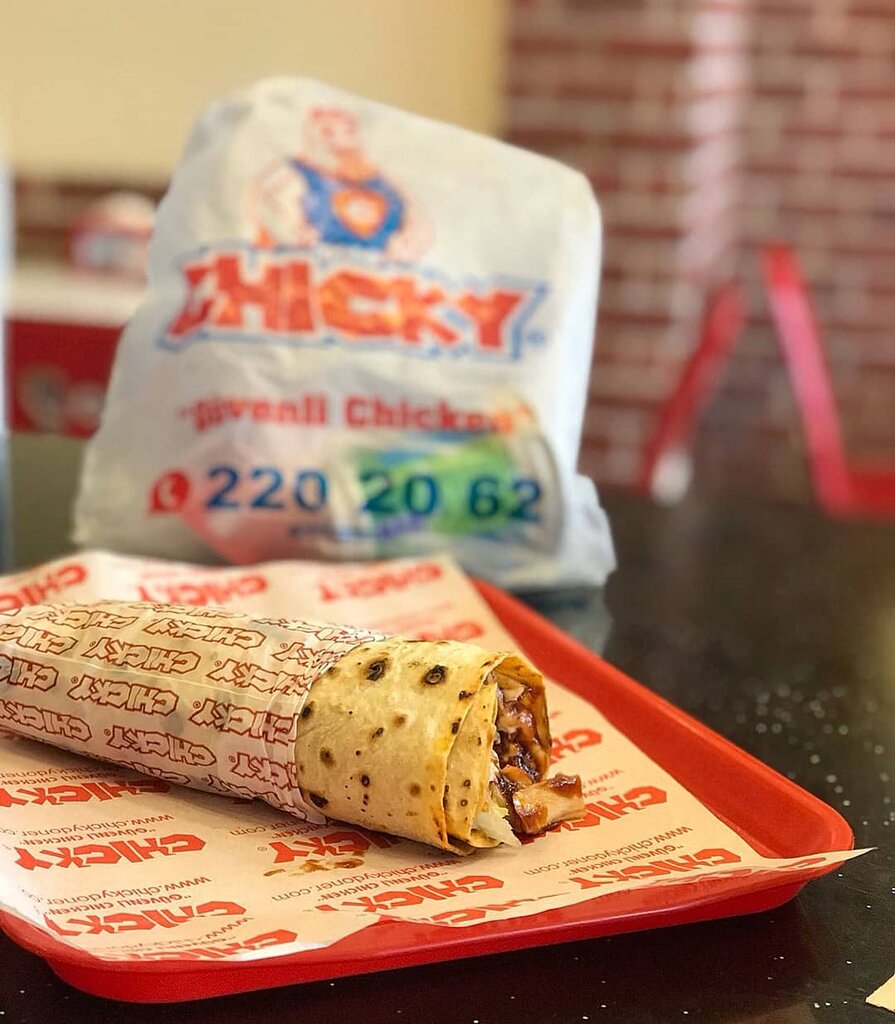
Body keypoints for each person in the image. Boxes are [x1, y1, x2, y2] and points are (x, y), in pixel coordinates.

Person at [250, 107, 430, 259]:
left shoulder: (380, 180)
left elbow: (417, 213)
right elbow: (261, 199)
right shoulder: (298, 172)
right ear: (309, 138)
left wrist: (409, 239)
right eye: (326, 133)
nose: (338, 141)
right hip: (319, 266)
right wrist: (291, 228)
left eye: (348, 132)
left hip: (380, 273)